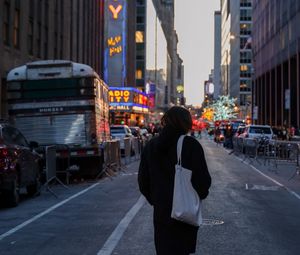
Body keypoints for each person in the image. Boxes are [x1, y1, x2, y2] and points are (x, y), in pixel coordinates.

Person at [138, 106, 211, 255]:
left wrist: (157, 200)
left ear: (165, 121)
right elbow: (203, 182)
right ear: (186, 124)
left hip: (161, 214)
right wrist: (197, 195)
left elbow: (143, 182)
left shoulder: (151, 146)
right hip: (185, 214)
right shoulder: (191, 146)